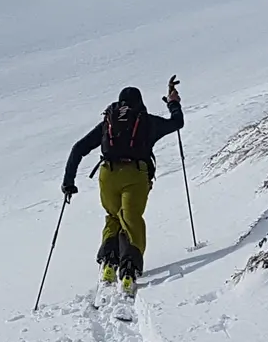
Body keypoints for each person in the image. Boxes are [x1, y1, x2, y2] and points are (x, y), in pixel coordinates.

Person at [63, 77, 184, 297]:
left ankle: (109, 262)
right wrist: (173, 102)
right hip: (136, 175)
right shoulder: (147, 122)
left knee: (113, 216)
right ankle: (129, 270)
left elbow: (78, 148)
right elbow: (177, 123)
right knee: (132, 219)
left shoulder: (108, 124)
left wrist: (68, 183)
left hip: (107, 174)